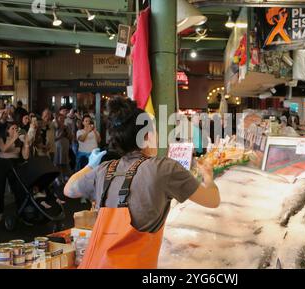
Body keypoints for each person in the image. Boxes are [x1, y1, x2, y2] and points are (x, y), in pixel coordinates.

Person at [64, 97, 220, 269]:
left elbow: (69, 189)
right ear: (147, 136)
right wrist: (208, 178)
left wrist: (90, 165)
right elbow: (212, 200)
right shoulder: (163, 168)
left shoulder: (103, 170)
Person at [0, 122, 30, 223]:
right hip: (1, 163)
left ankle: (20, 212)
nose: (15, 130)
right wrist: (14, 138)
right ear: (7, 130)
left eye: (16, 128)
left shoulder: (20, 140)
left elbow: (26, 156)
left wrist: (26, 143)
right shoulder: (1, 138)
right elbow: (3, 149)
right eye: (12, 128)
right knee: (0, 188)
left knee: (17, 188)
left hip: (14, 163)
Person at [54, 113, 72, 181]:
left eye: (63, 118)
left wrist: (67, 133)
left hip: (65, 146)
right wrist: (61, 135)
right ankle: (58, 177)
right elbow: (54, 138)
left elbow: (70, 137)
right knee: (57, 162)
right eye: (60, 118)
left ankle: (65, 176)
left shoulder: (66, 126)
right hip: (57, 146)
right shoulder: (55, 126)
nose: (62, 120)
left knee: (65, 162)